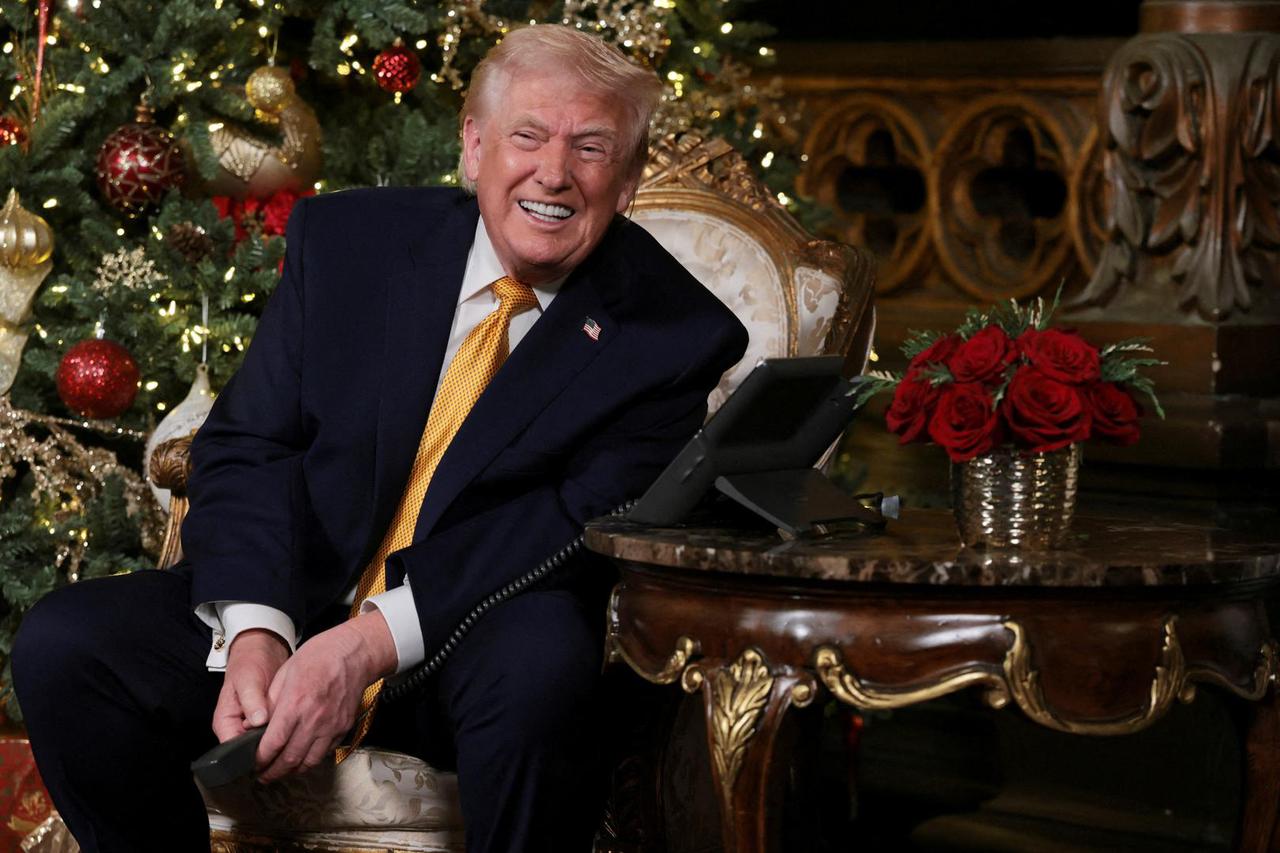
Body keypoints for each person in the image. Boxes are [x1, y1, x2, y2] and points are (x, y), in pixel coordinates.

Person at [11, 24, 747, 853]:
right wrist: (255, 630)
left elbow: (563, 525)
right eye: (528, 135)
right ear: (474, 147)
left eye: (591, 147)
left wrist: (364, 646)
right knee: (66, 643)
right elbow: (251, 441)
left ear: (628, 178)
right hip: (301, 601)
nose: (554, 173)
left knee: (541, 662)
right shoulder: (348, 243)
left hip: (469, 633)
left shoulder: (673, 332)